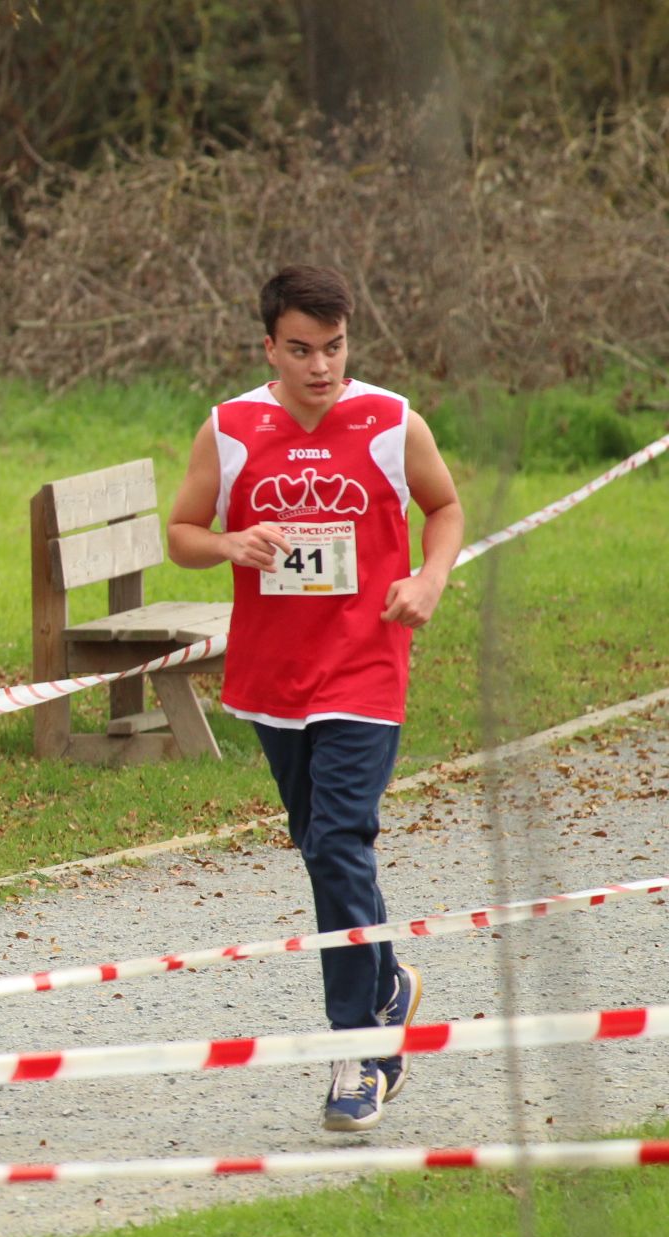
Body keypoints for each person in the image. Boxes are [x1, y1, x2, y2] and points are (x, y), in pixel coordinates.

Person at [166, 265, 463, 1133]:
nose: (321, 367)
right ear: (270, 347)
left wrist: (430, 578)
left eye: (334, 348)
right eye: (301, 350)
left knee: (340, 839)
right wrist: (230, 543)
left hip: (367, 666)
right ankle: (387, 982)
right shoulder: (228, 429)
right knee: (321, 847)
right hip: (273, 678)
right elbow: (180, 536)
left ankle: (360, 1052)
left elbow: (443, 507)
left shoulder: (389, 419)